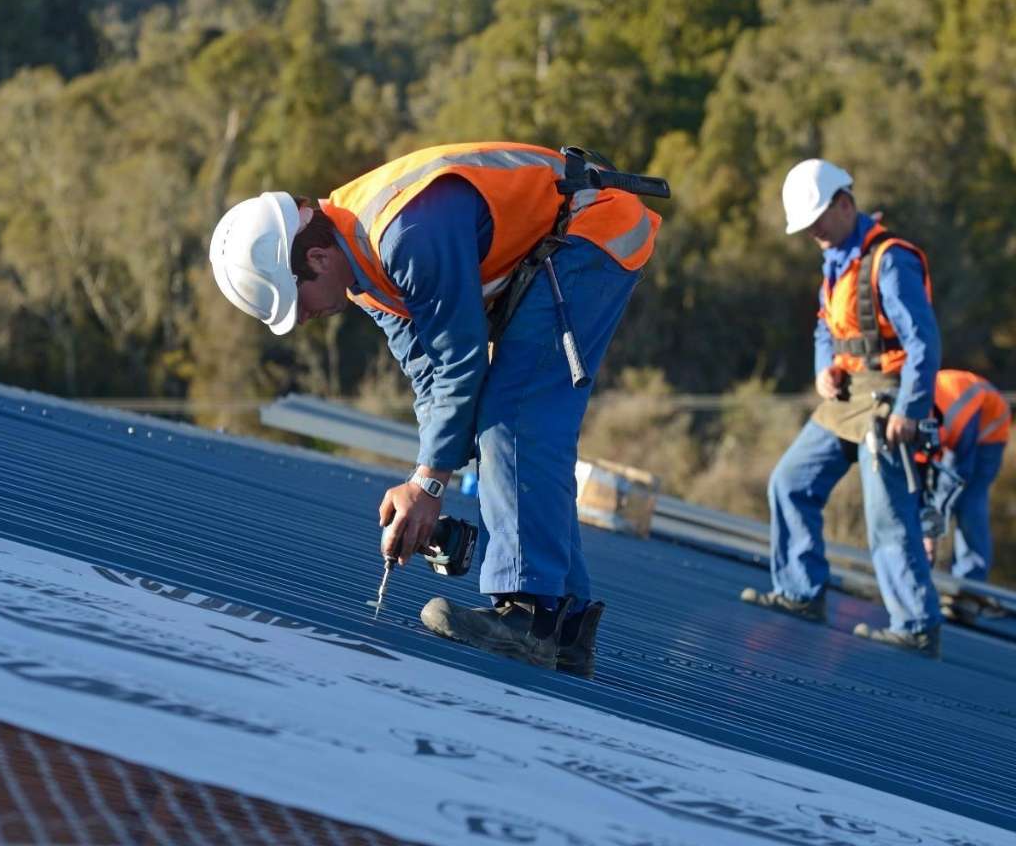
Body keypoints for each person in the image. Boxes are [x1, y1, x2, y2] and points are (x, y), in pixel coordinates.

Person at [209, 141, 660, 674]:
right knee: (511, 416)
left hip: (595, 226)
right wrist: (424, 480)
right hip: (561, 241)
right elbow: (432, 380)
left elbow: (461, 364)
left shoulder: (405, 232)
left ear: (315, 258)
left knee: (515, 410)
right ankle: (565, 627)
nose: (304, 319)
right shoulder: (363, 276)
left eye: (297, 301)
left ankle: (531, 613)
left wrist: (429, 484)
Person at [741, 157, 944, 657]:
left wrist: (910, 410)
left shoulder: (890, 260)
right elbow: (822, 327)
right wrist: (823, 367)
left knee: (888, 517)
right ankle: (800, 591)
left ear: (845, 203)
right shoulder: (834, 259)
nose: (812, 232)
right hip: (847, 394)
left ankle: (916, 624)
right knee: (790, 483)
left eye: (817, 221)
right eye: (806, 226)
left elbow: (923, 344)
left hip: (888, 398)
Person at [919, 369, 1011, 608]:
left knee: (970, 500)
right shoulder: (913, 410)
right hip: (951, 430)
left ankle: (970, 586)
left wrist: (931, 532)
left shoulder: (959, 414)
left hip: (988, 433)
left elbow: (956, 476)